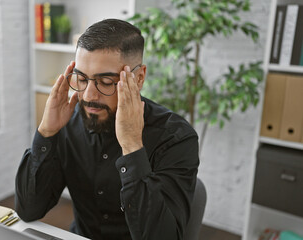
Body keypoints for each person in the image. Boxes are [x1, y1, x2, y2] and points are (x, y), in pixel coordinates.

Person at [16, 19, 199, 240]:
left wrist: (132, 146)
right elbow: (28, 210)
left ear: (139, 77)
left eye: (105, 82)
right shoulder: (68, 122)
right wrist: (46, 131)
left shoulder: (176, 138)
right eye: (82, 79)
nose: (90, 95)